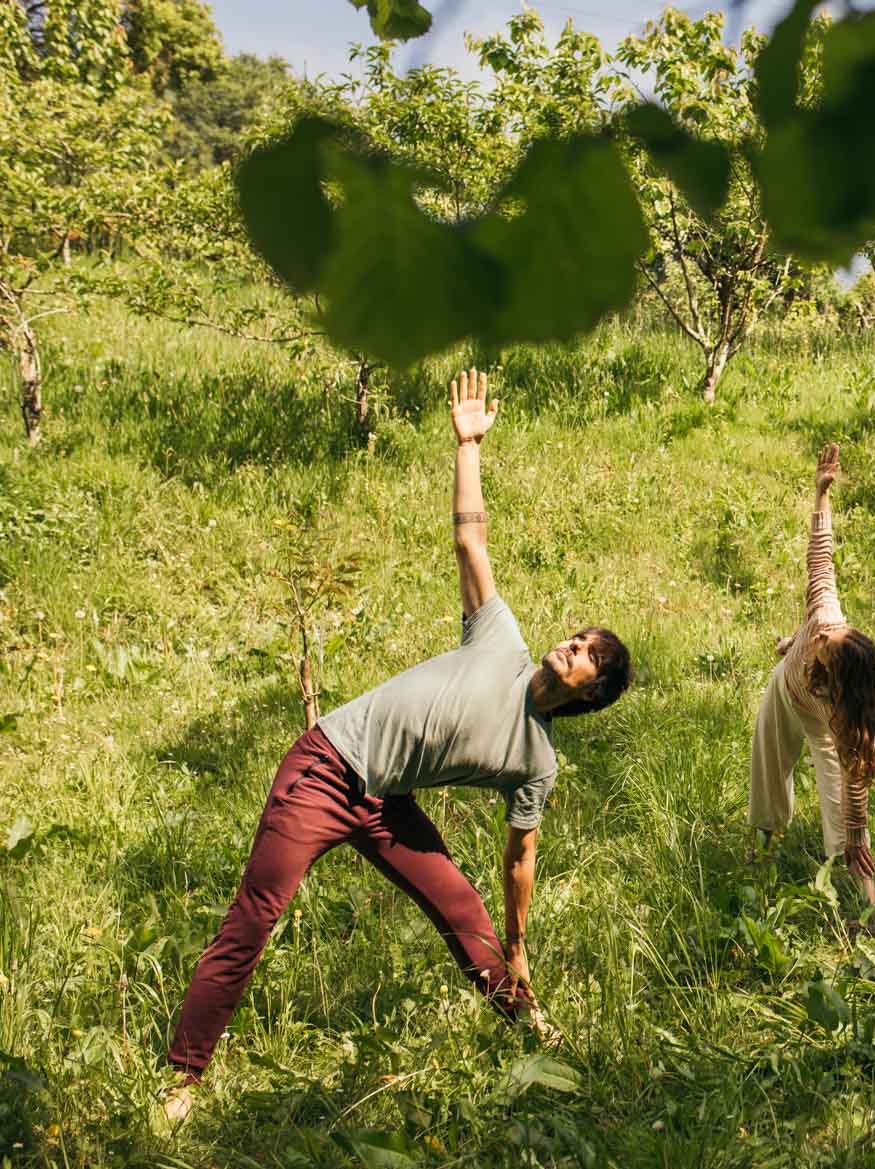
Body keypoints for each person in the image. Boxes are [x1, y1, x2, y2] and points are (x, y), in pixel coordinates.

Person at [162, 370, 631, 1121]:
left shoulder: (536, 761)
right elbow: (469, 537)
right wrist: (468, 445)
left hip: (383, 802)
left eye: (586, 656)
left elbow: (520, 857)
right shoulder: (500, 638)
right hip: (324, 765)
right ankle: (181, 1078)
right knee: (255, 913)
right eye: (577, 637)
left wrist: (517, 944)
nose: (571, 647)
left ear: (589, 693)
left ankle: (531, 1025)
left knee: (463, 912)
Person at [750, 443, 875, 929]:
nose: (827, 630)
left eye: (830, 640)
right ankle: (762, 863)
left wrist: (854, 834)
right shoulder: (826, 617)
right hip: (784, 692)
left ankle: (868, 912)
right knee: (767, 774)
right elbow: (821, 559)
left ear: (836, 674)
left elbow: (858, 779)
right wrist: (821, 494)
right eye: (836, 629)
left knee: (845, 816)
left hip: (822, 722)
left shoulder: (852, 712)